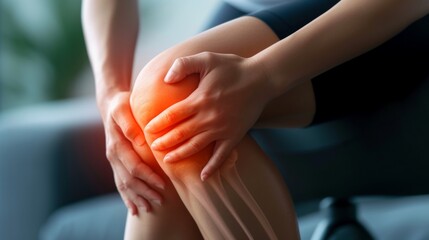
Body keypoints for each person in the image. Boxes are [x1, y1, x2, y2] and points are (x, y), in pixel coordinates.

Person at [82, 0, 429, 239]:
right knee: (158, 125)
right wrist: (111, 94)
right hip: (255, 7)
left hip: (384, 17)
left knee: (174, 96)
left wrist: (263, 76)